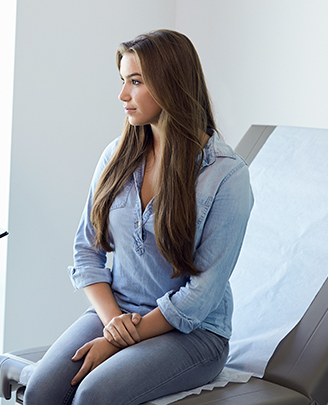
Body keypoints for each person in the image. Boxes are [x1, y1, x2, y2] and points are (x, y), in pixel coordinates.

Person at [23, 30, 254, 405]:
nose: (122, 95)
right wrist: (114, 322)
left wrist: (117, 340)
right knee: (42, 391)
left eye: (136, 81)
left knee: (94, 397)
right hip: (119, 312)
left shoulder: (226, 176)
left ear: (171, 85)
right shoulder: (116, 155)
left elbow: (200, 296)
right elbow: (86, 251)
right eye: (122, 80)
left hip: (193, 334)